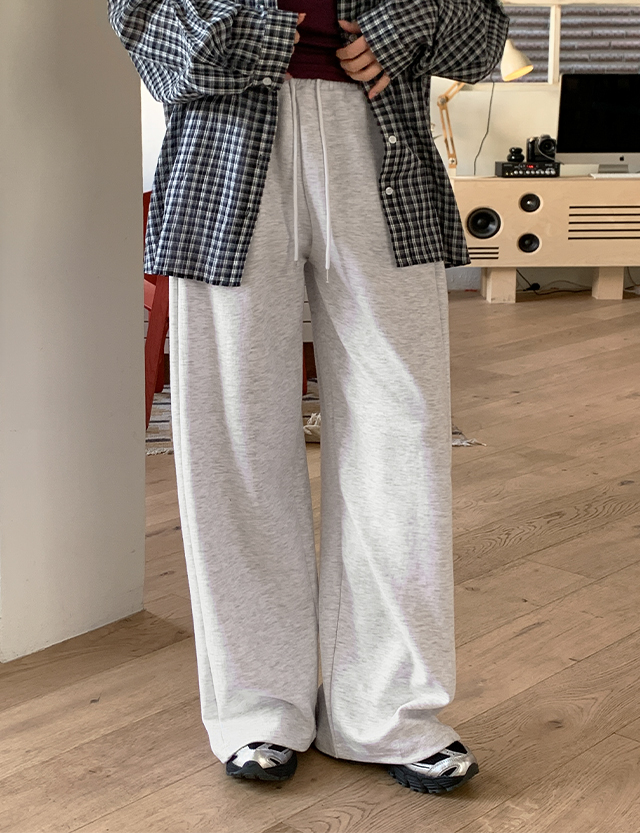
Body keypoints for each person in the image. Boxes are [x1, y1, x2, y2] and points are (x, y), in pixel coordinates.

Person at [109, 0, 508, 795]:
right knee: (236, 436)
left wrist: (402, 27)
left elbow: (482, 34)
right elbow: (145, 23)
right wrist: (265, 33)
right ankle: (259, 705)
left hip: (382, 145)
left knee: (404, 432)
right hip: (225, 147)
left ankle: (390, 708)